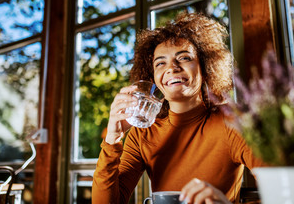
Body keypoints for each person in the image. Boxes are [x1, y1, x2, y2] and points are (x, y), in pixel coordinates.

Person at [92, 12, 265, 204]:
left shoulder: (233, 122)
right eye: (160, 63)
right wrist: (112, 140)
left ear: (205, 67)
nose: (171, 68)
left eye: (184, 58)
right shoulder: (142, 133)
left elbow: (286, 192)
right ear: (154, 78)